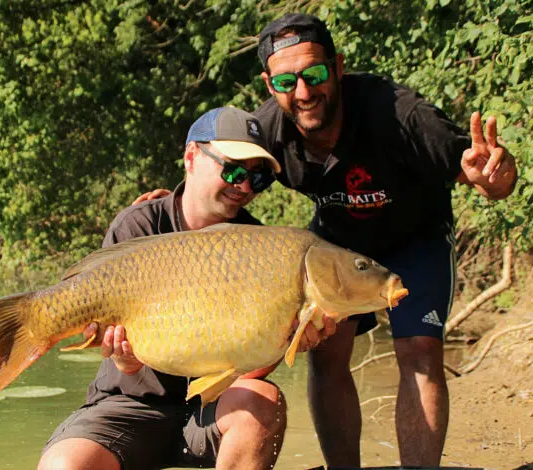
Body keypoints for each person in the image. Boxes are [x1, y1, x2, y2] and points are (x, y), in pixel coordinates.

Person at [252, 13, 519, 468]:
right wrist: (168, 204)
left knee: (418, 350)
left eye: (314, 74)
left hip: (416, 237)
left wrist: (496, 179)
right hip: (339, 242)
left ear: (337, 68)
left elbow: (486, 173)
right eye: (286, 81)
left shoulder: (400, 115)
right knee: (326, 352)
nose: (303, 93)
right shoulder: (269, 134)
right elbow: (218, 182)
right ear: (268, 84)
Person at [38, 106, 328, 470]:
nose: (243, 187)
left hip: (212, 409)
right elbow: (115, 348)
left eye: (257, 179)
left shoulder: (263, 247)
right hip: (130, 404)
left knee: (263, 402)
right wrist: (123, 358)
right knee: (65, 465)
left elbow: (248, 367)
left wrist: (287, 340)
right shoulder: (140, 223)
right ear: (191, 156)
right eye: (234, 170)